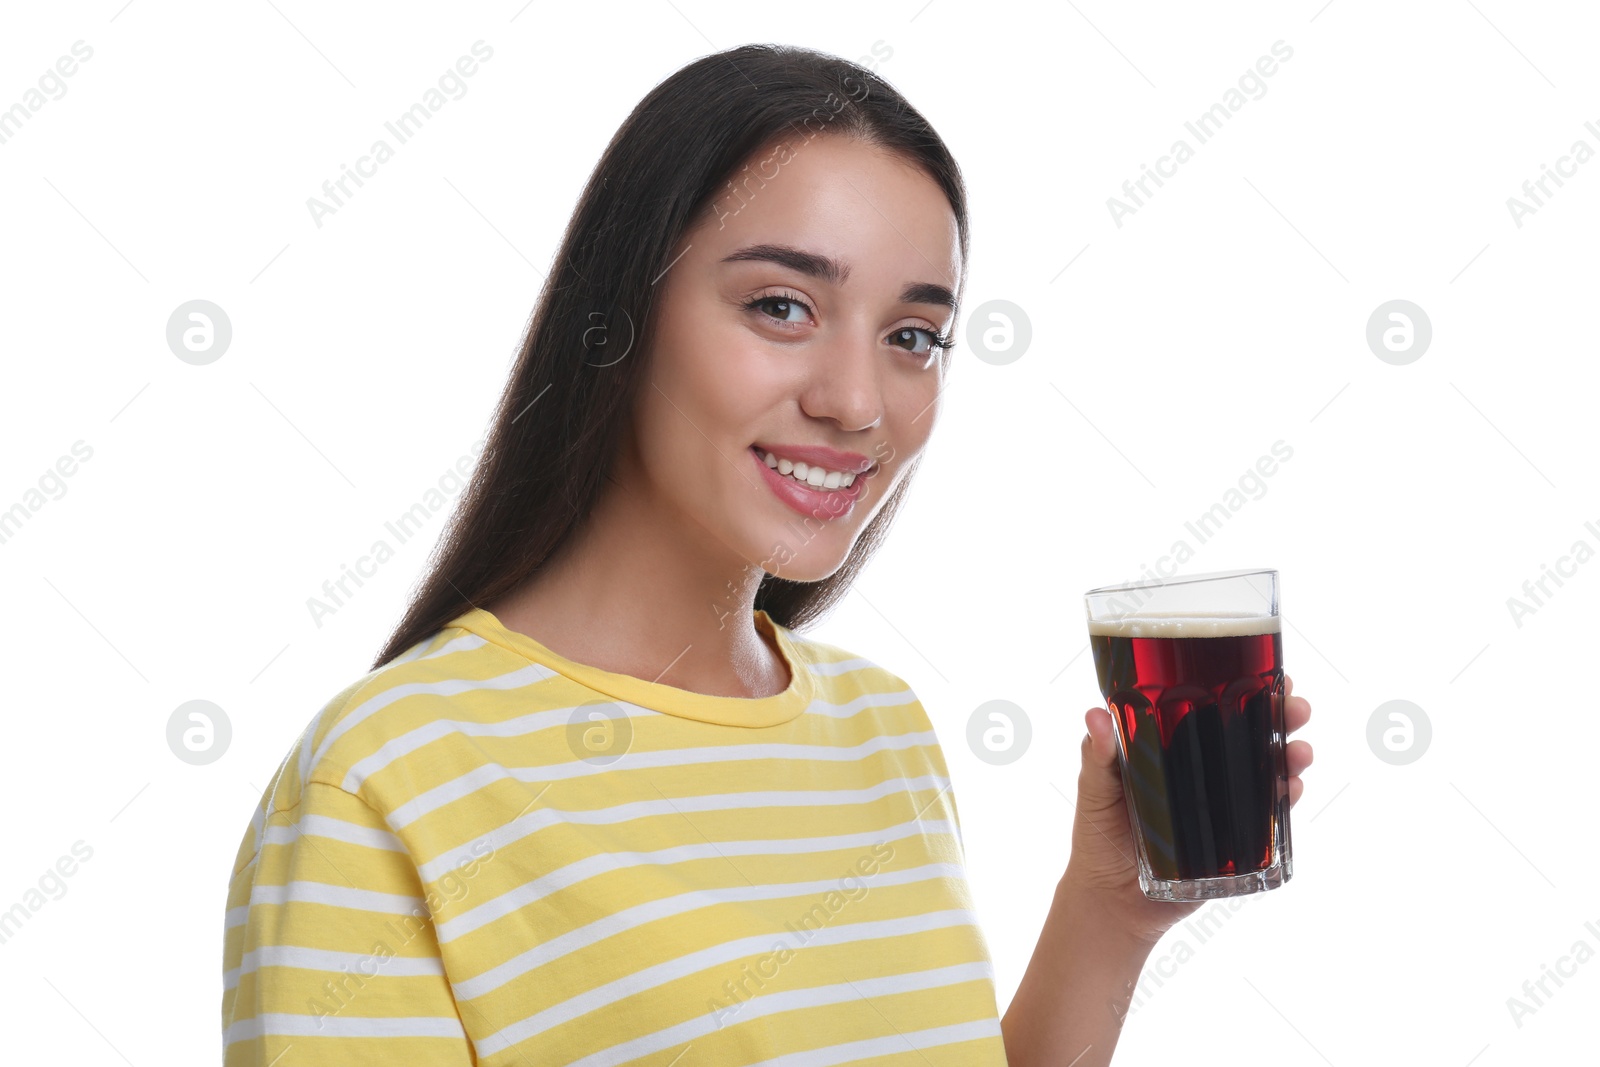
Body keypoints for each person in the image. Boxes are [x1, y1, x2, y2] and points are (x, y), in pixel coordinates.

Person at [220, 42, 1313, 1066]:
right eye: (781, 305)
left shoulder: (879, 728)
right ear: (620, 318)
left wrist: (1109, 912)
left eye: (912, 336)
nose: (854, 400)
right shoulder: (388, 776)